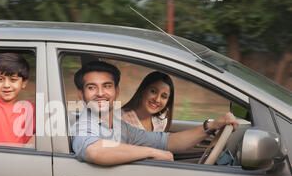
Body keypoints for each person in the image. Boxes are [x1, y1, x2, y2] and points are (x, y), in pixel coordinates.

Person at [71, 61, 238, 166]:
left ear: (116, 91)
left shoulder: (120, 127)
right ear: (81, 94)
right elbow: (94, 150)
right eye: (92, 87)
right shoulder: (84, 126)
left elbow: (167, 141)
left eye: (107, 86)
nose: (100, 93)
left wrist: (211, 125)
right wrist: (151, 152)